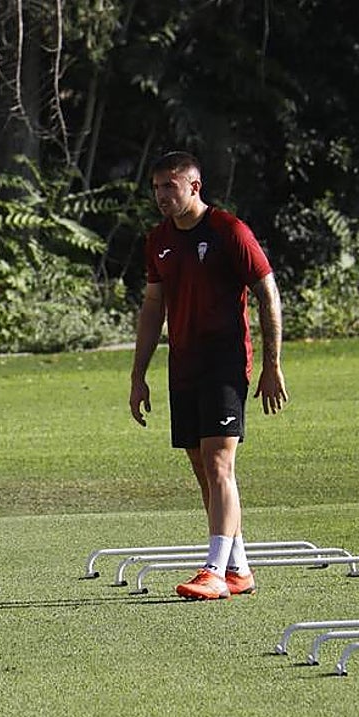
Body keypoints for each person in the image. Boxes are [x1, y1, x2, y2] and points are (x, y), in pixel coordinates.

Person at [129, 151, 289, 600]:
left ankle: (214, 570)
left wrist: (273, 364)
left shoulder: (228, 230)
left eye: (170, 185)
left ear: (194, 186)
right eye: (156, 187)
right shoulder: (159, 239)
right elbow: (153, 307)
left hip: (224, 363)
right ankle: (238, 568)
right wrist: (138, 374)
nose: (162, 195)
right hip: (183, 366)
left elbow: (268, 292)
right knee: (203, 468)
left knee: (219, 464)